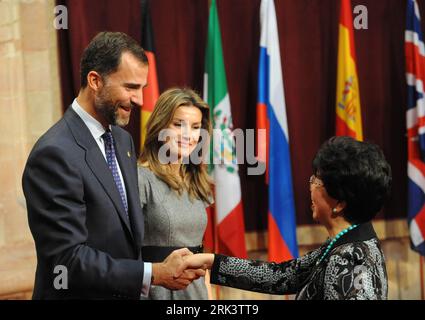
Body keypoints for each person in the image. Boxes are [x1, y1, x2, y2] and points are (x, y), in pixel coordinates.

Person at [22, 32, 203, 299]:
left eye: (141, 88)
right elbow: (67, 260)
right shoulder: (54, 153)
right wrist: (153, 273)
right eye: (130, 87)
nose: (140, 99)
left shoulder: (123, 140)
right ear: (95, 80)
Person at [184, 136, 391, 300]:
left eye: (316, 181)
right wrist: (211, 261)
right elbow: (282, 275)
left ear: (339, 203)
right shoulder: (346, 243)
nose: (310, 185)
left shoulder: (349, 259)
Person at [138, 87, 214, 300]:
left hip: (196, 294)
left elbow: (199, 253)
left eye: (196, 127)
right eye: (178, 124)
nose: (188, 135)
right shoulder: (141, 178)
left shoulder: (196, 181)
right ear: (160, 126)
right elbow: (123, 253)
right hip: (155, 293)